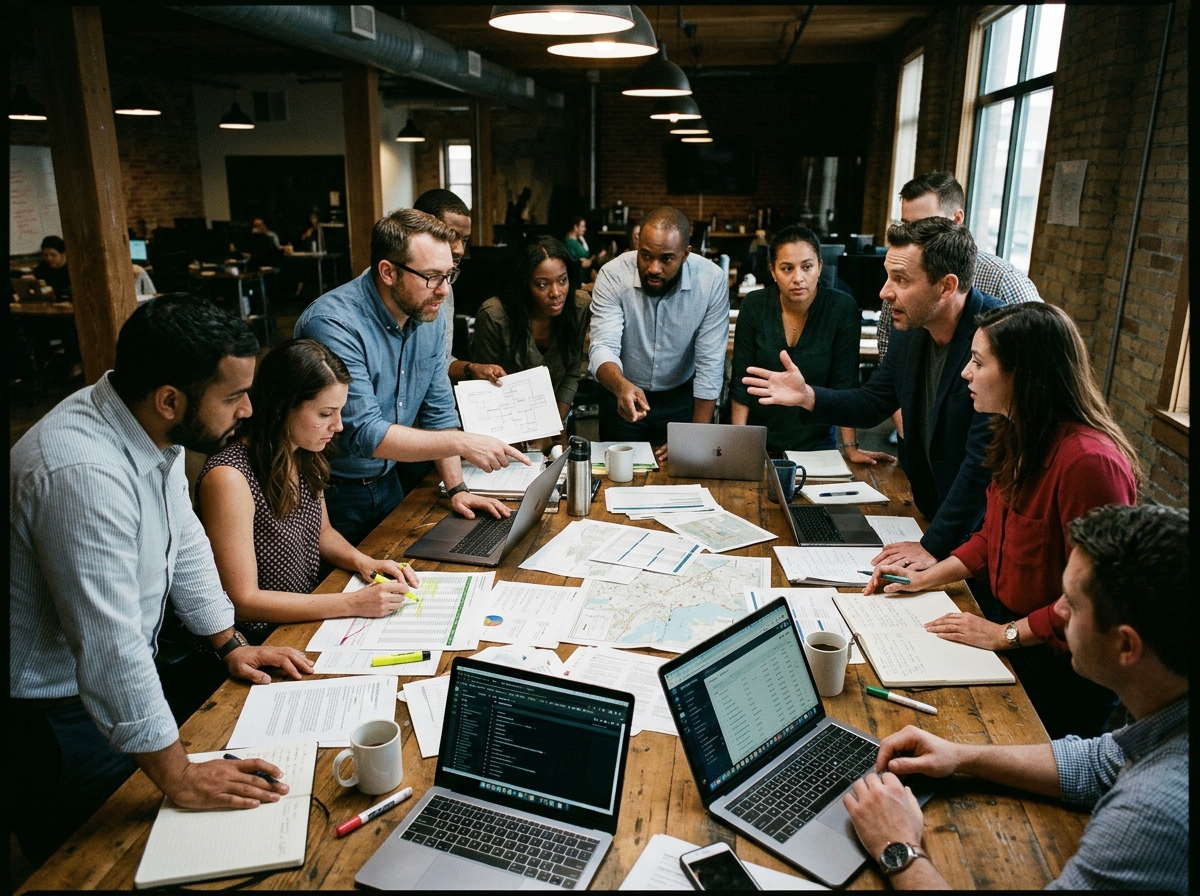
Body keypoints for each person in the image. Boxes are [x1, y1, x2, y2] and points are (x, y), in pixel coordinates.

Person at [10, 295, 314, 865]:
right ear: (170, 399)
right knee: (95, 863)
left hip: (108, 686)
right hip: (51, 714)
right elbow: (108, 643)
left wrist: (228, 641)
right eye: (233, 396)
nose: (249, 409)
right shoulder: (83, 473)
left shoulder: (150, 427)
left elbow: (187, 545)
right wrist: (179, 776)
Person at [843, 504, 1188, 893]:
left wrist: (898, 848)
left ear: (1126, 645)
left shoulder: (1151, 815)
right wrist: (961, 754)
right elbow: (1099, 762)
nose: (1056, 611)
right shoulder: (1171, 712)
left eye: (1071, 603)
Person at [864, 302, 1138, 737]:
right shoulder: (1015, 432)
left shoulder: (1088, 464)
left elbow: (1096, 597)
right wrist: (926, 576)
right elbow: (992, 535)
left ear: (1022, 375)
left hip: (1063, 667)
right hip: (1011, 633)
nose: (965, 374)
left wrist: (1003, 635)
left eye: (978, 362)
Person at [743, 217, 1001, 568]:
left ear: (946, 286)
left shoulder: (996, 335)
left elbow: (982, 463)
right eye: (888, 275)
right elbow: (873, 402)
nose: (884, 291)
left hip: (983, 537)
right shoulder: (911, 329)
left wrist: (933, 545)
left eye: (901, 280)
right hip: (933, 514)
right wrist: (809, 397)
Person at [294, 208, 528, 547]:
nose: (444, 291)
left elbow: (439, 413)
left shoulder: (427, 314)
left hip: (388, 481)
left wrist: (458, 488)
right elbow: (364, 433)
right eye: (432, 277)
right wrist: (462, 443)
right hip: (331, 492)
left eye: (450, 275)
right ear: (388, 272)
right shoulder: (334, 323)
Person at [196, 339, 421, 643]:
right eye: (325, 414)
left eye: (340, 412)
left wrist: (363, 562)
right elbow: (244, 601)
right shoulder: (229, 477)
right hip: (258, 638)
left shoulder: (302, 453)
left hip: (306, 617)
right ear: (281, 409)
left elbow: (322, 532)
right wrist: (352, 603)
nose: (338, 425)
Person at [880, 171, 1042, 445]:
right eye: (907, 224)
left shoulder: (1004, 281)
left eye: (924, 223)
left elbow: (1034, 369)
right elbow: (890, 350)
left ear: (956, 220)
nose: (912, 235)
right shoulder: (906, 273)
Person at [730, 225, 895, 464]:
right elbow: (740, 384)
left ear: (820, 266)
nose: (798, 278)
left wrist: (850, 447)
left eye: (807, 267)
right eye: (787, 268)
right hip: (757, 438)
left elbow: (844, 386)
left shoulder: (842, 309)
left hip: (817, 443)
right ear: (773, 272)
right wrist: (740, 443)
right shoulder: (754, 306)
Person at [589, 206, 729, 460]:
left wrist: (695, 437)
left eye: (666, 259)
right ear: (637, 244)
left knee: (683, 477)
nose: (653, 268)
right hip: (621, 394)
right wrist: (621, 387)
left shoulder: (711, 280)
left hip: (681, 398)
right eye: (645, 256)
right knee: (620, 480)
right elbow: (602, 346)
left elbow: (710, 364)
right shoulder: (612, 275)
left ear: (685, 254)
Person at [472, 236, 592, 447]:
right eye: (543, 284)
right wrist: (522, 437)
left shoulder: (579, 307)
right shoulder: (495, 315)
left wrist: (555, 424)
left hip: (554, 419)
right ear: (524, 284)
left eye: (562, 281)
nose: (556, 293)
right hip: (503, 425)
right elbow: (485, 386)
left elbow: (572, 372)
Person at [412, 189, 504, 386]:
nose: (459, 249)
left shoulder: (446, 286)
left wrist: (471, 369)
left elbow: (437, 363)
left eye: (464, 239)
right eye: (450, 235)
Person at [32, 234, 72, 300]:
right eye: (45, 255)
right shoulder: (43, 266)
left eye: (53, 255)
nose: (49, 258)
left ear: (63, 254)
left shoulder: (71, 269)